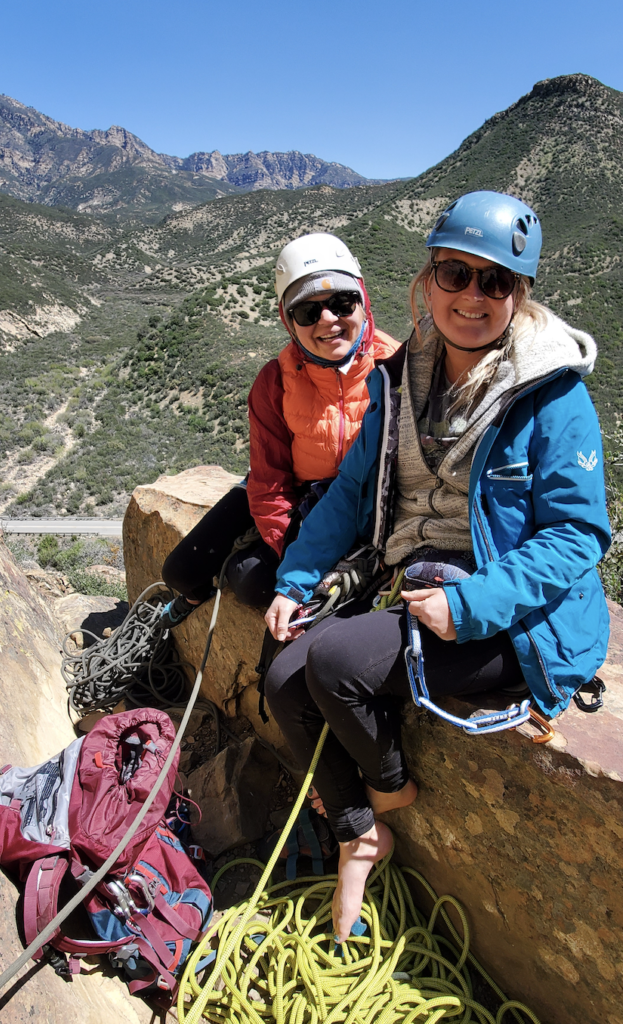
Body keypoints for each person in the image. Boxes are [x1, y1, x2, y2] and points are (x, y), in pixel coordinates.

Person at [263, 191, 611, 943]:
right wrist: (294, 584)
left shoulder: (552, 397)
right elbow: (353, 493)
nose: (472, 297)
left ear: (519, 295)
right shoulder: (399, 382)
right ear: (426, 282)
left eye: (495, 282)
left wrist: (474, 603)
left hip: (515, 615)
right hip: (419, 581)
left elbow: (578, 534)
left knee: (337, 666)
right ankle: (360, 830)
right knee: (281, 679)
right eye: (455, 273)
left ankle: (384, 805)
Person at [160, 234, 400, 623]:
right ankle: (195, 599)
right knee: (180, 572)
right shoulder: (276, 379)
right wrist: (286, 543)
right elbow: (270, 478)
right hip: (293, 488)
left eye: (342, 303)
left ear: (363, 302)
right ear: (288, 320)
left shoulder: (394, 370)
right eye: (307, 312)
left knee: (250, 581)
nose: (328, 320)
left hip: (352, 501)